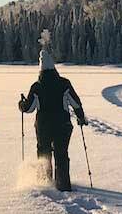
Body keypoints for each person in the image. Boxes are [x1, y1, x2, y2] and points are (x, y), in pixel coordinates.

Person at [18, 47, 87, 191]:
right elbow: (76, 103)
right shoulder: (64, 83)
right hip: (63, 125)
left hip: (44, 127)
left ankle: (45, 183)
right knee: (62, 154)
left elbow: (28, 109)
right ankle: (63, 185)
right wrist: (80, 117)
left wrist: (21, 104)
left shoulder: (37, 87)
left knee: (44, 153)